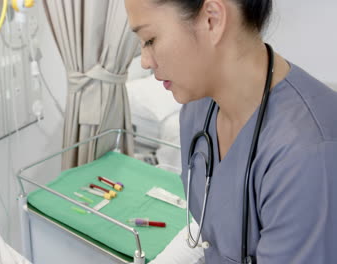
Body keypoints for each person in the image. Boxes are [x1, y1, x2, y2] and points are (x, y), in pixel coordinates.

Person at [125, 0, 337, 263]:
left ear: (211, 19)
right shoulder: (198, 109)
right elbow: (209, 234)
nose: (145, 61)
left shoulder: (309, 153)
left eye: (150, 39)